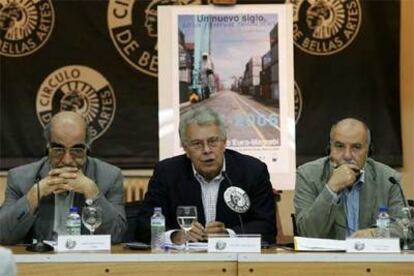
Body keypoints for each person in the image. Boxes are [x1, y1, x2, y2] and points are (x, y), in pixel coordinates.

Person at [136, 107, 276, 245]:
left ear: (224, 142)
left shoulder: (252, 170)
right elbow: (144, 225)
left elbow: (267, 227)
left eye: (213, 141)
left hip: (236, 260)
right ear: (185, 148)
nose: (207, 150)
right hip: (183, 262)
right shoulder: (167, 173)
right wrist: (175, 236)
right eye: (197, 144)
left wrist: (229, 235)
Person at [0, 111, 126, 245]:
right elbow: (3, 235)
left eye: (76, 151)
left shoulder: (110, 176)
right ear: (48, 148)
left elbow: (117, 235)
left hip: (87, 260)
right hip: (40, 261)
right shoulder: (20, 178)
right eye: (59, 150)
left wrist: (93, 193)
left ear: (87, 149)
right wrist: (33, 195)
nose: (67, 160)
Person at [294, 118, 405, 239]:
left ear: (368, 151)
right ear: (329, 148)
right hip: (326, 258)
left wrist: (374, 234)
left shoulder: (389, 179)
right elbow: (307, 233)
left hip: (372, 257)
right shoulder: (307, 175)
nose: (347, 155)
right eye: (339, 146)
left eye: (356, 147)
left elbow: (405, 229)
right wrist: (331, 189)